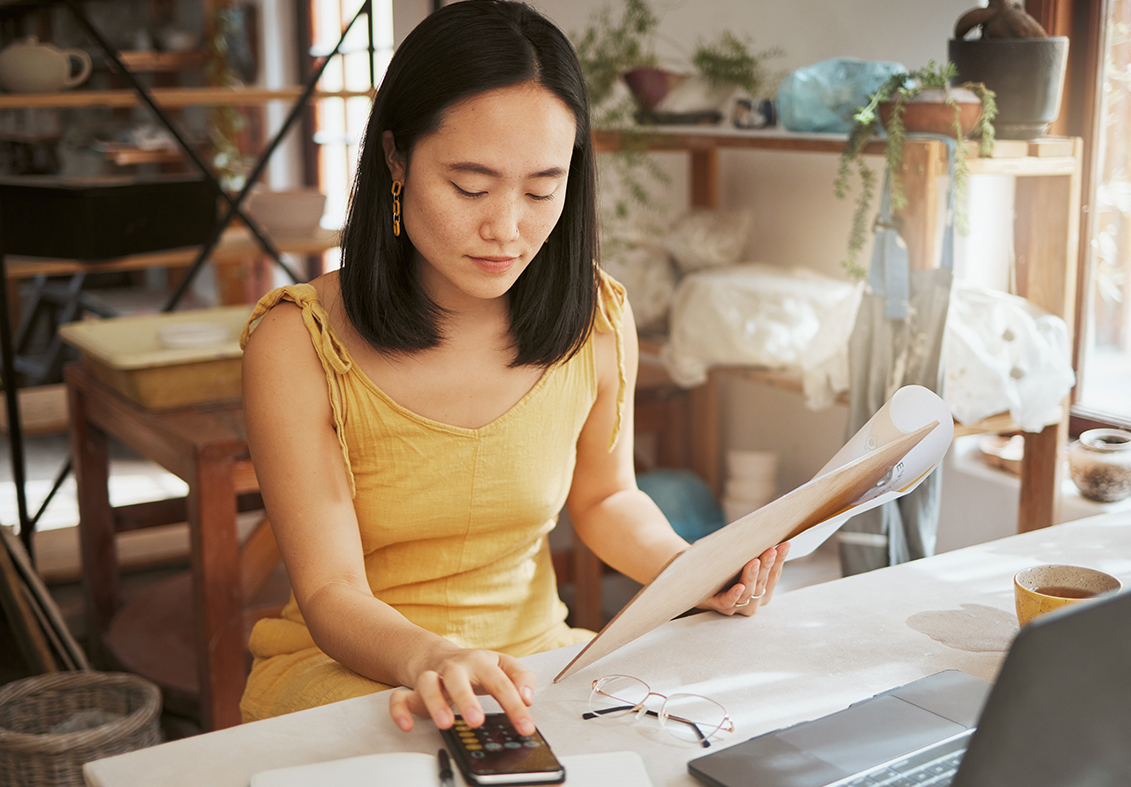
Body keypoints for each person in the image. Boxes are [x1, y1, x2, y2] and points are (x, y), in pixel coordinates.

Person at [238, 0, 789, 736]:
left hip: (533, 663)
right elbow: (331, 588)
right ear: (396, 160)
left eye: (540, 190)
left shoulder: (594, 316)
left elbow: (606, 499)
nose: (508, 227)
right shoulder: (297, 340)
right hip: (355, 667)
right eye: (470, 187)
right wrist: (432, 656)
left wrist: (690, 570)